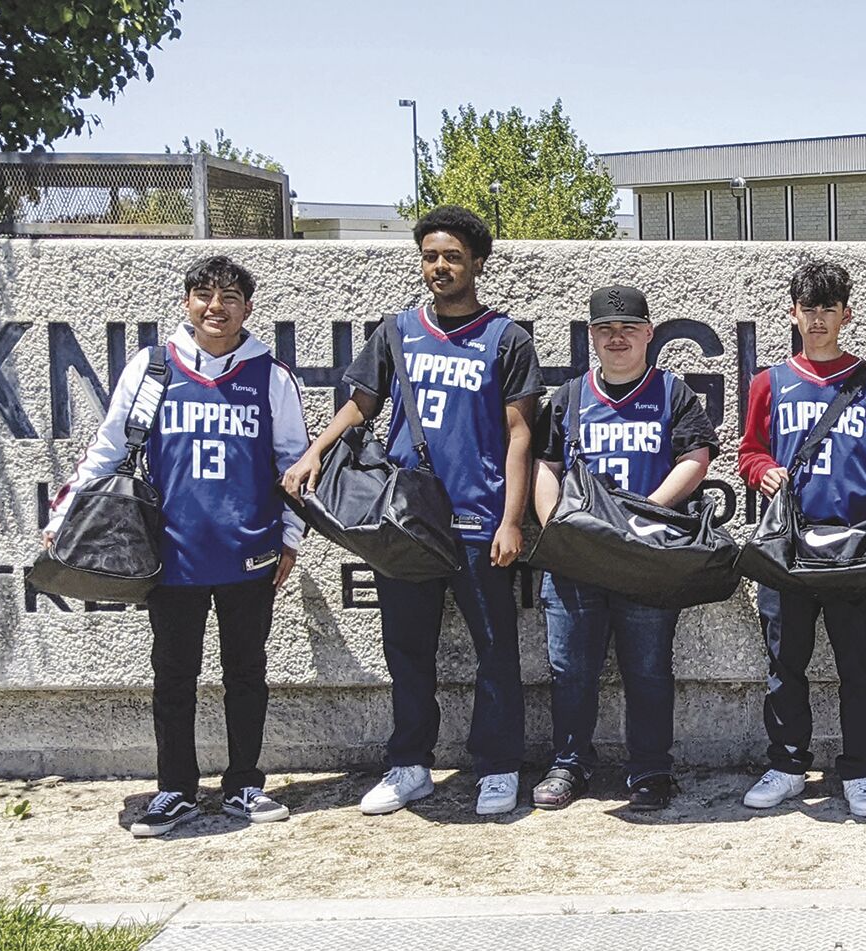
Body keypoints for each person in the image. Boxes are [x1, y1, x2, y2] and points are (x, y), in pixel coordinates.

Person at [282, 206, 541, 817]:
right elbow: (360, 404)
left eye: (453, 256)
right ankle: (410, 765)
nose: (440, 267)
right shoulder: (398, 331)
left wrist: (511, 519)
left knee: (495, 649)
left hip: (478, 521)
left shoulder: (507, 339)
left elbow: (520, 435)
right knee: (406, 647)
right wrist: (316, 451)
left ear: (477, 262)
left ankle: (498, 767)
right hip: (405, 520)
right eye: (430, 256)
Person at [47, 255, 309, 837]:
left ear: (248, 307)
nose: (216, 307)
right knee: (173, 675)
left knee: (246, 672)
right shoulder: (152, 368)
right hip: (171, 555)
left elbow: (295, 465)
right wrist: (65, 513)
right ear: (187, 301)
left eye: (230, 296)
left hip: (251, 554)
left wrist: (291, 538)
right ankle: (175, 790)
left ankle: (245, 783)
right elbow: (109, 450)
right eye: (204, 295)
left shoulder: (271, 375)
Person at [737, 260, 866, 818]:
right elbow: (749, 450)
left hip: (858, 550)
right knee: (785, 664)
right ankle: (787, 765)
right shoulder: (769, 382)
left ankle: (860, 771)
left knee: (858, 665)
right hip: (789, 550)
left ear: (847, 314)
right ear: (792, 312)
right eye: (808, 307)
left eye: (829, 307)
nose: (818, 318)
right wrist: (760, 471)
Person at [530, 285, 720, 812]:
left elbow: (696, 456)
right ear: (590, 336)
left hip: (646, 557)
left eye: (629, 329)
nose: (618, 338)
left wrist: (645, 514)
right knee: (570, 669)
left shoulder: (672, 393)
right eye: (606, 329)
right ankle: (569, 765)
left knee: (648, 669)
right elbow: (545, 467)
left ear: (648, 334)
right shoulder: (570, 397)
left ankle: (650, 770)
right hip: (578, 558)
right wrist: (557, 528)